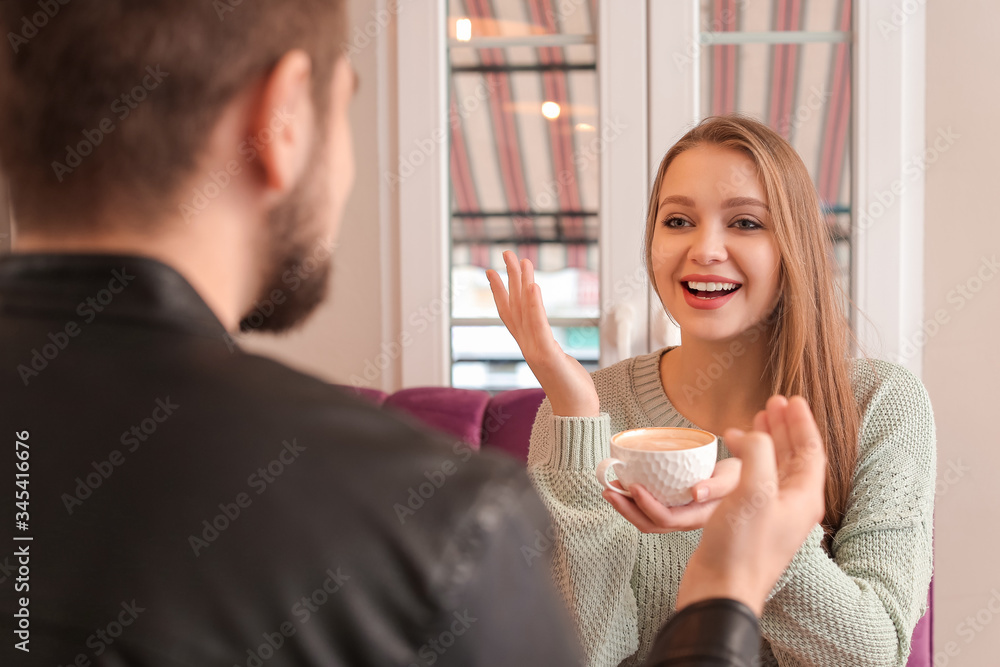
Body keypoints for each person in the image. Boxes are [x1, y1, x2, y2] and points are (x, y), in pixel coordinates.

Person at [0, 2, 826, 665]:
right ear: (282, 116)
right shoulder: (441, 525)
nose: (705, 247)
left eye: (745, 221)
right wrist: (725, 587)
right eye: (347, 108)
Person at [487, 115, 937, 666]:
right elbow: (578, 654)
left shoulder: (881, 404)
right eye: (678, 220)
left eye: (746, 223)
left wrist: (763, 526)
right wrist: (577, 415)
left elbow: (875, 655)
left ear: (792, 243)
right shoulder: (586, 412)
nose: (705, 249)